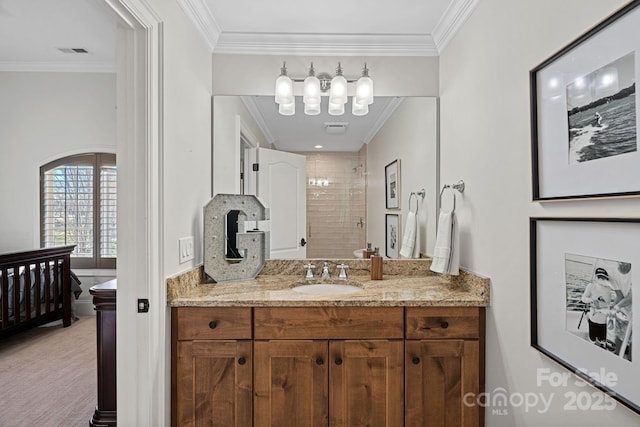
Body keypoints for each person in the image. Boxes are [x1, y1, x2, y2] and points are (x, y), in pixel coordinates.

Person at [581, 267, 614, 345]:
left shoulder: (609, 288)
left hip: (604, 320)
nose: (601, 279)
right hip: (593, 319)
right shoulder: (591, 286)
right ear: (595, 277)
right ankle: (588, 316)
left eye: (603, 277)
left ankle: (587, 315)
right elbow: (583, 298)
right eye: (599, 277)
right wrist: (592, 300)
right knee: (592, 339)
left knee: (602, 340)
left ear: (606, 278)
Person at [610, 262, 632, 360]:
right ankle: (617, 358)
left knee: (633, 341)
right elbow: (620, 296)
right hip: (622, 311)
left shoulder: (636, 271)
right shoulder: (613, 272)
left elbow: (632, 297)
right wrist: (612, 309)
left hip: (635, 312)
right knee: (618, 335)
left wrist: (617, 307)